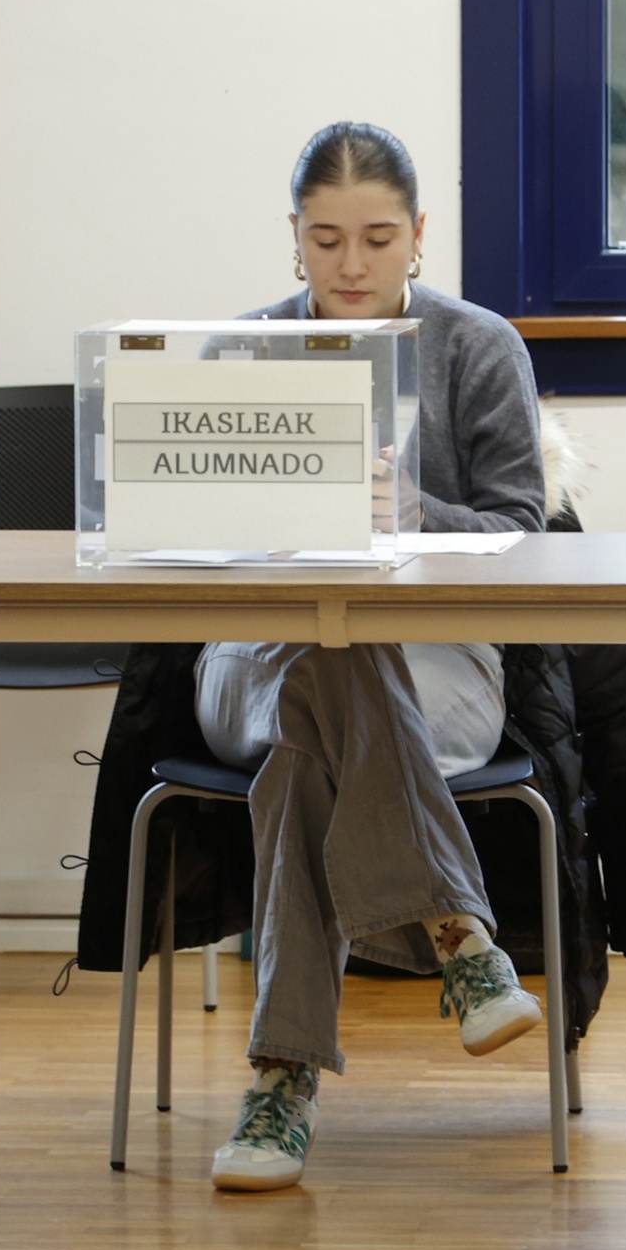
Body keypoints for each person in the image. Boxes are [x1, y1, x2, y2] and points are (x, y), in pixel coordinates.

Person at [200, 121, 551, 1192]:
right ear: (294, 240)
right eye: (326, 239)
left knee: (322, 702)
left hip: (437, 662)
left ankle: (280, 1084)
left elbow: (526, 531)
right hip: (252, 653)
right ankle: (457, 928)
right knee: (316, 646)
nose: (351, 265)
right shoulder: (234, 352)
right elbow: (185, 543)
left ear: (419, 237)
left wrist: (416, 512)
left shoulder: (478, 346)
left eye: (377, 238)